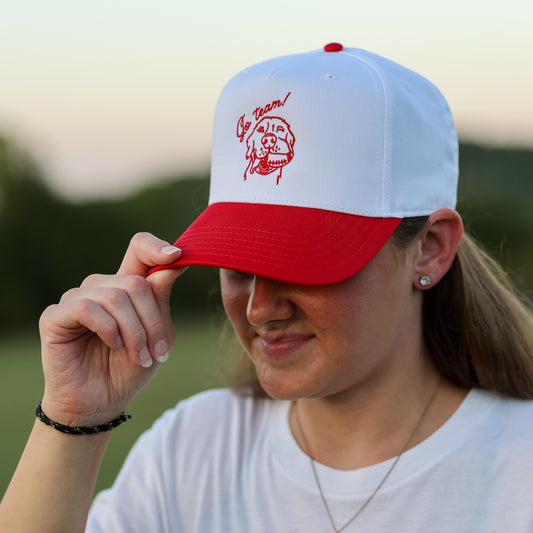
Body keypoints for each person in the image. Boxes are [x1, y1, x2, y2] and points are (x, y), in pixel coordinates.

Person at [1, 43, 533, 533]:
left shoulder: (518, 468)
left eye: (302, 263)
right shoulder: (191, 450)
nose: (259, 309)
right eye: (237, 262)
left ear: (431, 248)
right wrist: (73, 419)